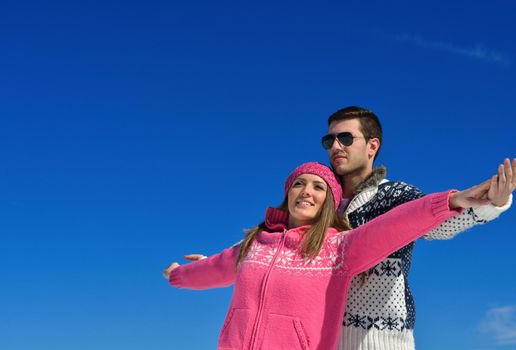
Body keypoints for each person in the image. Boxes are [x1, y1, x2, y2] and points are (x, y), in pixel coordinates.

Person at [181, 106, 515, 350]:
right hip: (324, 338)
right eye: (329, 140)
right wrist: (216, 265)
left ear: (373, 145)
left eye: (345, 137)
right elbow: (277, 251)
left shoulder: (395, 195)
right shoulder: (320, 201)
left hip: (381, 339)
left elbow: (433, 225)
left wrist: (488, 204)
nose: (335, 147)